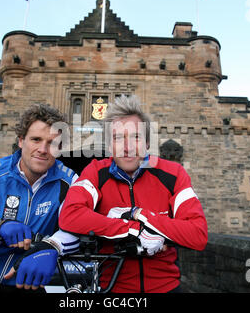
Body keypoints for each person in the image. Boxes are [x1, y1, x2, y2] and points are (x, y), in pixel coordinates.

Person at [59, 95, 208, 293]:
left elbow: (197, 234)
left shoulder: (172, 173)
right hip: (114, 289)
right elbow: (70, 215)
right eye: (118, 137)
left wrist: (139, 214)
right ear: (110, 146)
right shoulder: (96, 172)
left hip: (167, 288)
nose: (127, 147)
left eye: (136, 137)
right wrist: (135, 230)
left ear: (147, 143)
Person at [0, 104, 79, 293]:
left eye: (52, 143)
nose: (43, 149)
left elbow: (78, 229)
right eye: (36, 139)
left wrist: (52, 246)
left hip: (29, 281)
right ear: (21, 141)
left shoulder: (70, 182)